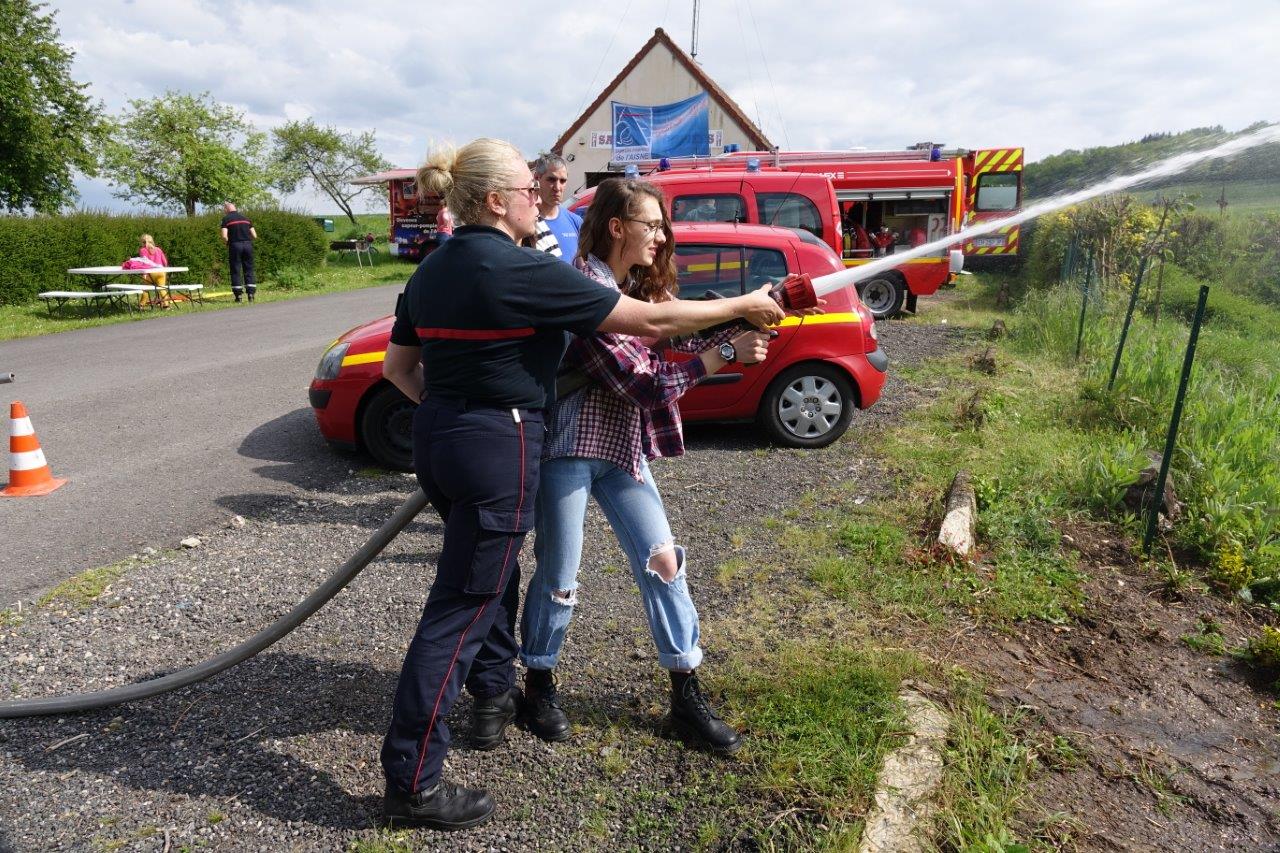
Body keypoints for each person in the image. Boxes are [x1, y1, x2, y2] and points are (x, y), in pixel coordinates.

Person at [377, 137, 784, 832]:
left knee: (488, 583)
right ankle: (414, 777)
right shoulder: (521, 269)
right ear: (495, 201)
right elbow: (651, 324)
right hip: (498, 441)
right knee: (462, 607)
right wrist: (741, 304)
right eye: (528, 189)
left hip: (441, 438)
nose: (541, 195)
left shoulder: (432, 269)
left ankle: (495, 695)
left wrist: (452, 415)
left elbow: (398, 370)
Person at [511, 178, 769, 757]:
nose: (661, 236)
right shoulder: (585, 288)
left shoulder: (631, 289)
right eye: (650, 225)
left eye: (661, 226)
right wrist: (726, 353)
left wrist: (742, 326)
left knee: (665, 564)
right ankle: (540, 683)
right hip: (570, 451)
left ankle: (685, 693)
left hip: (622, 449)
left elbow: (670, 344)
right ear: (616, 227)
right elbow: (646, 383)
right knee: (559, 578)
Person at [532, 153, 581, 262]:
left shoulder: (576, 221)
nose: (557, 188)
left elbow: (580, 267)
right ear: (537, 178)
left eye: (563, 181)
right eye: (551, 179)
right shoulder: (526, 223)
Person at [220, 202, 258, 303]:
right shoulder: (246, 219)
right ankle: (251, 294)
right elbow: (254, 235)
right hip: (248, 245)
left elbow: (224, 236)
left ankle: (238, 296)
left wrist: (227, 242)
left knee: (236, 270)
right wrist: (246, 240)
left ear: (227, 209)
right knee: (249, 269)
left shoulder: (226, 219)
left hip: (235, 245)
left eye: (224, 209)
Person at [137, 234, 169, 307]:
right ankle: (166, 305)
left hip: (150, 273)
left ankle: (141, 305)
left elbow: (144, 262)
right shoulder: (158, 249)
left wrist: (144, 273)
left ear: (142, 242)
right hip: (161, 272)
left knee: (145, 289)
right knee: (162, 288)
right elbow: (165, 262)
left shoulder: (143, 250)